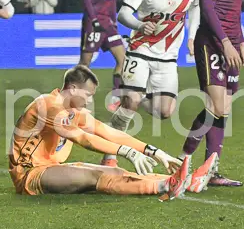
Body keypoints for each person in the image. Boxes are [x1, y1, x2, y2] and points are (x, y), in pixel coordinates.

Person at [7, 65, 215, 199]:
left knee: (114, 172)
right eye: (87, 95)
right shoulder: (49, 106)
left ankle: (184, 181)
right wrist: (128, 152)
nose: (89, 100)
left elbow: (107, 132)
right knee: (96, 176)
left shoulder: (72, 110)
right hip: (30, 175)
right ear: (72, 88)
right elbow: (84, 138)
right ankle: (164, 186)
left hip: (51, 167)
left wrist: (154, 151)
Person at [100, 0, 203, 186]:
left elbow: (196, 7)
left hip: (168, 57)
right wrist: (139, 24)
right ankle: (108, 155)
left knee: (165, 112)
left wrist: (193, 35)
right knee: (131, 102)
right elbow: (123, 13)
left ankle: (131, 96)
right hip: (139, 49)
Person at [178, 0, 244, 187]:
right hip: (211, 43)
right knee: (215, 105)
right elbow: (208, 9)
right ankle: (183, 160)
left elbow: (235, 9)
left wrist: (240, 43)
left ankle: (211, 170)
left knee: (224, 108)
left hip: (231, 44)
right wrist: (225, 43)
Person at [79, 0, 125, 109]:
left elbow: (111, 2)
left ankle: (116, 97)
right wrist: (94, 21)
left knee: (123, 59)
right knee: (85, 64)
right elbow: (86, 0)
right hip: (94, 24)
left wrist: (114, 21)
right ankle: (75, 97)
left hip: (109, 25)